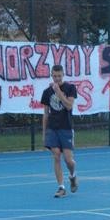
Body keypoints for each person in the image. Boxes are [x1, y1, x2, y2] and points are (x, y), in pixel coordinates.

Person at [41, 65, 78, 198]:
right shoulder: (47, 92)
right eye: (55, 76)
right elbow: (46, 114)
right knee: (56, 155)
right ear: (51, 75)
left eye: (59, 76)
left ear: (63, 75)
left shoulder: (70, 88)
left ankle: (73, 176)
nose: (57, 78)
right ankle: (61, 187)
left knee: (69, 160)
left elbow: (68, 106)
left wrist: (59, 92)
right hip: (52, 128)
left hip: (66, 127)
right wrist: (44, 133)